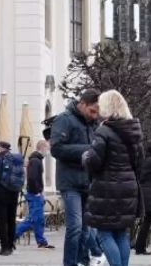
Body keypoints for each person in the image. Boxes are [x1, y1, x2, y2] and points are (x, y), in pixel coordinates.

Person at [82, 90, 143, 266]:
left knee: (104, 233)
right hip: (128, 186)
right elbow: (139, 161)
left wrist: (85, 156)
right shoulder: (133, 130)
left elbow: (94, 162)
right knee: (120, 233)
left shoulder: (104, 131)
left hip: (107, 188)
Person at [49, 89, 105, 266]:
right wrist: (87, 149)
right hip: (69, 182)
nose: (94, 116)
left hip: (87, 182)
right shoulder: (64, 119)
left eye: (97, 112)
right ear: (82, 103)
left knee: (86, 229)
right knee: (75, 227)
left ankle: (83, 261)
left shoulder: (92, 124)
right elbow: (56, 148)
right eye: (92, 111)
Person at [14, 140, 53, 249]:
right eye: (47, 148)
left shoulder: (35, 160)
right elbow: (32, 178)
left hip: (35, 193)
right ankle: (12, 235)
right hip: (34, 194)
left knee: (38, 219)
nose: (48, 151)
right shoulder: (36, 161)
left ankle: (41, 241)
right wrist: (37, 192)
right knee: (33, 219)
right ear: (42, 148)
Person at [0, 141, 22, 256]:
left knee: (2, 220)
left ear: (0, 148)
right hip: (14, 192)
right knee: (11, 219)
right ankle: (11, 244)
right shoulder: (16, 159)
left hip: (0, 193)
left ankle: (5, 248)